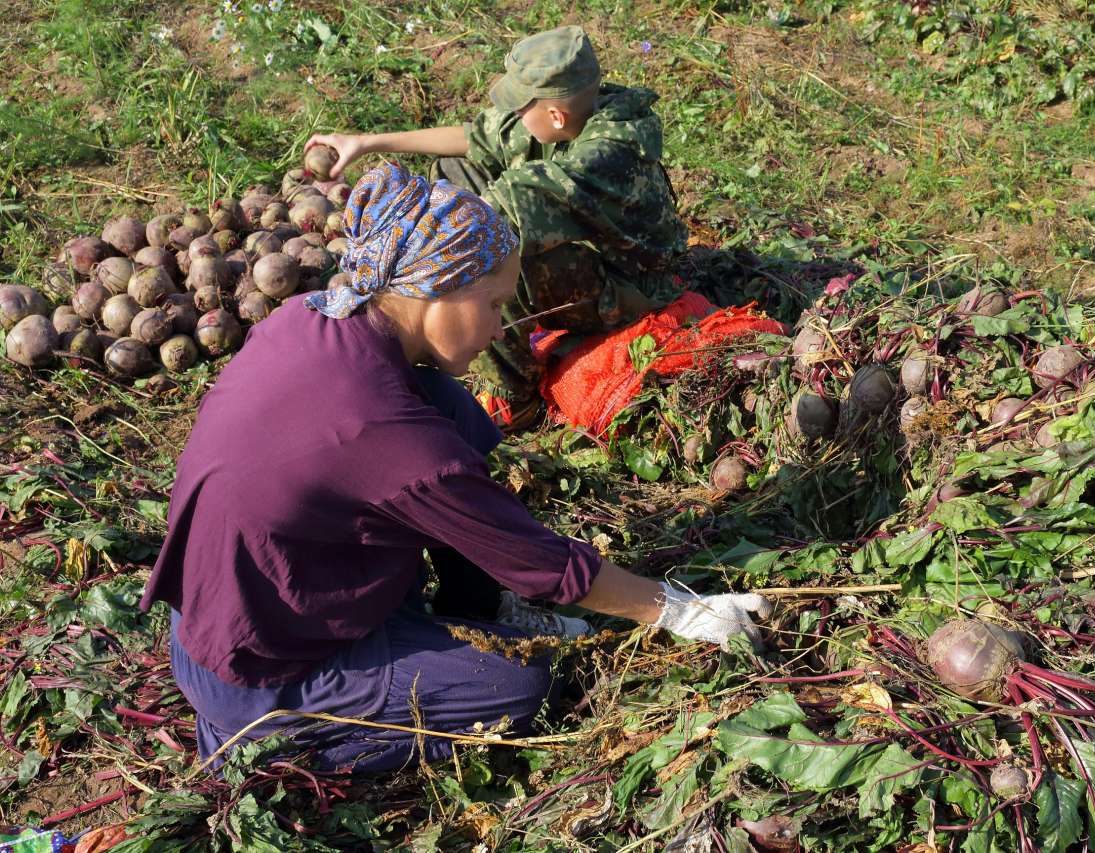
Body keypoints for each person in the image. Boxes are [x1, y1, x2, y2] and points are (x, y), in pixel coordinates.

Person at [139, 163, 768, 772]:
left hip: (253, 597)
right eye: (494, 305)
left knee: (447, 400)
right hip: (261, 665)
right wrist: (675, 609)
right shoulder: (381, 429)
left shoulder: (312, 317)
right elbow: (539, 562)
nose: (500, 328)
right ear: (434, 291)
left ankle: (476, 603)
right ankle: (267, 741)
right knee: (519, 686)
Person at [305, 25, 688, 428]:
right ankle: (461, 320)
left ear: (555, 115)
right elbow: (474, 140)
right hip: (588, 244)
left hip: (632, 284)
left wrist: (393, 269)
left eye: (522, 109)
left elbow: (485, 223)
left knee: (496, 259)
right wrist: (367, 142)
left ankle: (514, 396)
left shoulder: (607, 154)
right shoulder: (570, 117)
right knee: (456, 171)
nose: (516, 117)